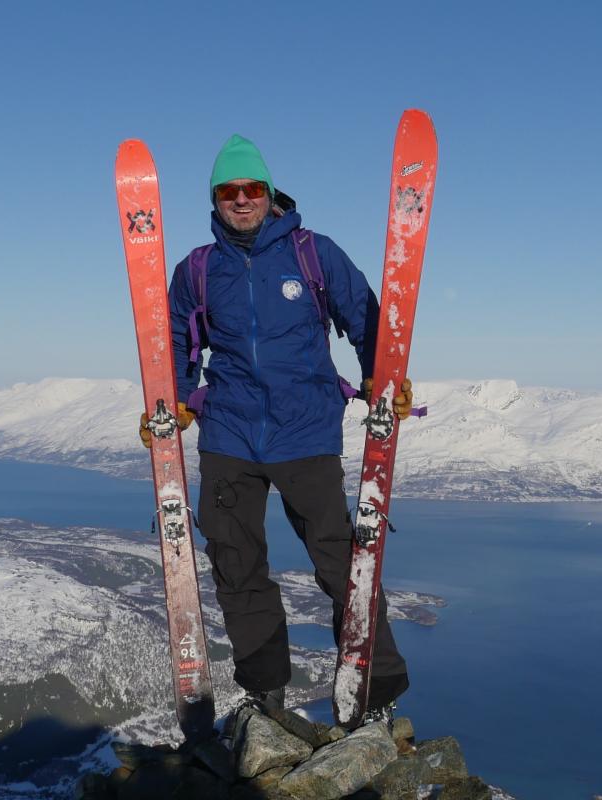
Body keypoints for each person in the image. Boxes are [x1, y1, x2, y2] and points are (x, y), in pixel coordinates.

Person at [140, 134, 413, 724]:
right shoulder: (199, 268)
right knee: (236, 562)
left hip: (305, 432)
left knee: (341, 558)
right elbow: (178, 339)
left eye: (252, 188)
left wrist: (382, 379)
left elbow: (365, 316)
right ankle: (264, 691)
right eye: (229, 191)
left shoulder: (313, 253)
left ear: (271, 193)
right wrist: (182, 400)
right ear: (215, 199)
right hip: (230, 434)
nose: (242, 199)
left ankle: (376, 684)